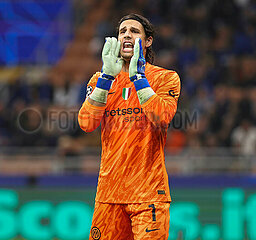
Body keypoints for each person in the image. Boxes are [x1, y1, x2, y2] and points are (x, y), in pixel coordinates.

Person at [78, 13, 181, 240]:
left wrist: (138, 79)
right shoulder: (99, 80)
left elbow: (162, 117)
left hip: (148, 193)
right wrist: (106, 78)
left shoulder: (166, 78)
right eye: (122, 31)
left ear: (148, 40)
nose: (126, 35)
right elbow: (86, 123)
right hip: (109, 194)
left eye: (134, 31)